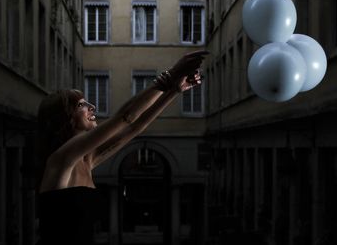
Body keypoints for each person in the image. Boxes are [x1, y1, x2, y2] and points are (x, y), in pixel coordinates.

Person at [35, 50, 209, 244]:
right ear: (64, 118)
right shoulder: (61, 158)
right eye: (81, 105)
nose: (92, 107)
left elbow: (135, 126)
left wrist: (174, 91)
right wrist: (171, 75)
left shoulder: (87, 159)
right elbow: (126, 117)